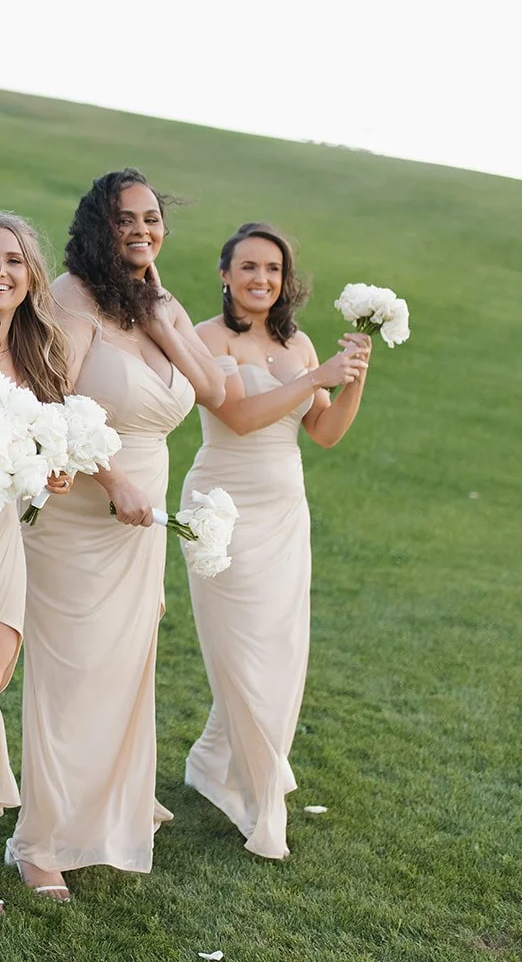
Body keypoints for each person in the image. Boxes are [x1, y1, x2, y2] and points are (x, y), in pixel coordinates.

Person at [7, 169, 225, 897]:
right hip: (79, 508)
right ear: (96, 224)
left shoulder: (157, 303)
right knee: (70, 675)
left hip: (144, 515)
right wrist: (112, 478)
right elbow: (49, 401)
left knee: (126, 664)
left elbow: (216, 389)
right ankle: (40, 841)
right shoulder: (70, 298)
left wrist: (161, 310)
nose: (141, 229)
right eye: (125, 218)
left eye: (152, 218)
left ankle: (111, 808)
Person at [181, 222, 370, 859]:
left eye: (274, 270)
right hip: (222, 508)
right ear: (225, 272)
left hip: (285, 509)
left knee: (281, 652)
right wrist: (318, 375)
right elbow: (237, 416)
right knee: (239, 652)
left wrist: (352, 381)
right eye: (250, 267)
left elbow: (324, 434)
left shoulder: (298, 343)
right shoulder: (207, 337)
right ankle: (264, 797)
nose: (262, 279)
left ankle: (214, 762)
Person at [0, 213, 74, 918]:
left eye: (13, 262)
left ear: (31, 278)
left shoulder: (41, 358)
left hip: (5, 543)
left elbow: (36, 464)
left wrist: (49, 475)